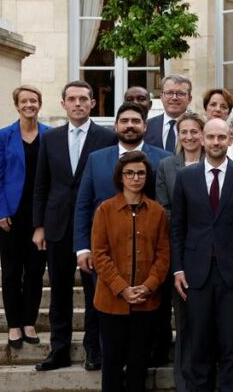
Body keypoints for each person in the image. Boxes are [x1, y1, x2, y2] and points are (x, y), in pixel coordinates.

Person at [73, 102, 172, 368]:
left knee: (151, 309)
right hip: (105, 249)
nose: (130, 125)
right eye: (124, 120)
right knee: (101, 305)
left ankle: (150, 355)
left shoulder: (162, 158)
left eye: (136, 121)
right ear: (116, 126)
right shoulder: (97, 158)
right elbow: (84, 203)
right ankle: (97, 354)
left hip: (146, 252)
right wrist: (83, 248)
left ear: (145, 127)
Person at [170, 118, 233, 391]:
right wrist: (178, 269)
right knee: (199, 344)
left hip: (232, 272)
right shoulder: (186, 176)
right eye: (211, 137)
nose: (216, 142)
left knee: (230, 345)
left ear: (230, 138)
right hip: (195, 273)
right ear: (202, 139)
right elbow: (177, 227)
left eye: (222, 137)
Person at [32, 80, 117, 372]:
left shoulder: (107, 138)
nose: (78, 103)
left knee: (95, 294)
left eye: (83, 99)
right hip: (56, 226)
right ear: (63, 104)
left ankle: (93, 350)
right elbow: (41, 185)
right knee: (59, 292)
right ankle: (59, 350)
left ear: (93, 103)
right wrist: (38, 226)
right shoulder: (51, 138)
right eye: (72, 99)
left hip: (93, 228)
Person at [91, 151, 170, 392]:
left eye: (141, 173)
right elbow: (99, 254)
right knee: (112, 363)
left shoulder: (157, 212)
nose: (135, 178)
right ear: (121, 177)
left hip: (146, 302)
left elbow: (163, 255)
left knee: (138, 363)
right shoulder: (105, 210)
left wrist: (148, 286)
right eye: (130, 173)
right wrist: (122, 288)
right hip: (111, 302)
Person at [0, 85, 50, 350]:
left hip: (40, 216)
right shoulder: (3, 135)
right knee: (12, 272)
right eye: (24, 101)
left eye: (33, 100)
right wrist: (1, 212)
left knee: (36, 272)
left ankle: (29, 322)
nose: (29, 105)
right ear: (17, 105)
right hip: (11, 215)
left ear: (39, 104)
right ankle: (14, 324)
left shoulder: (50, 135)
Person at [155, 111, 206, 392]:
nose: (189, 137)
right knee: (184, 320)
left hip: (214, 251)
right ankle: (184, 382)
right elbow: (164, 209)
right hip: (181, 248)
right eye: (183, 132)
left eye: (194, 131)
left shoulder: (218, 162)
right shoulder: (166, 166)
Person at [145, 75, 193, 153]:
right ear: (161, 97)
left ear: (189, 98)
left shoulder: (199, 127)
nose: (174, 98)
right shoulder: (147, 127)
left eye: (180, 94)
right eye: (169, 93)